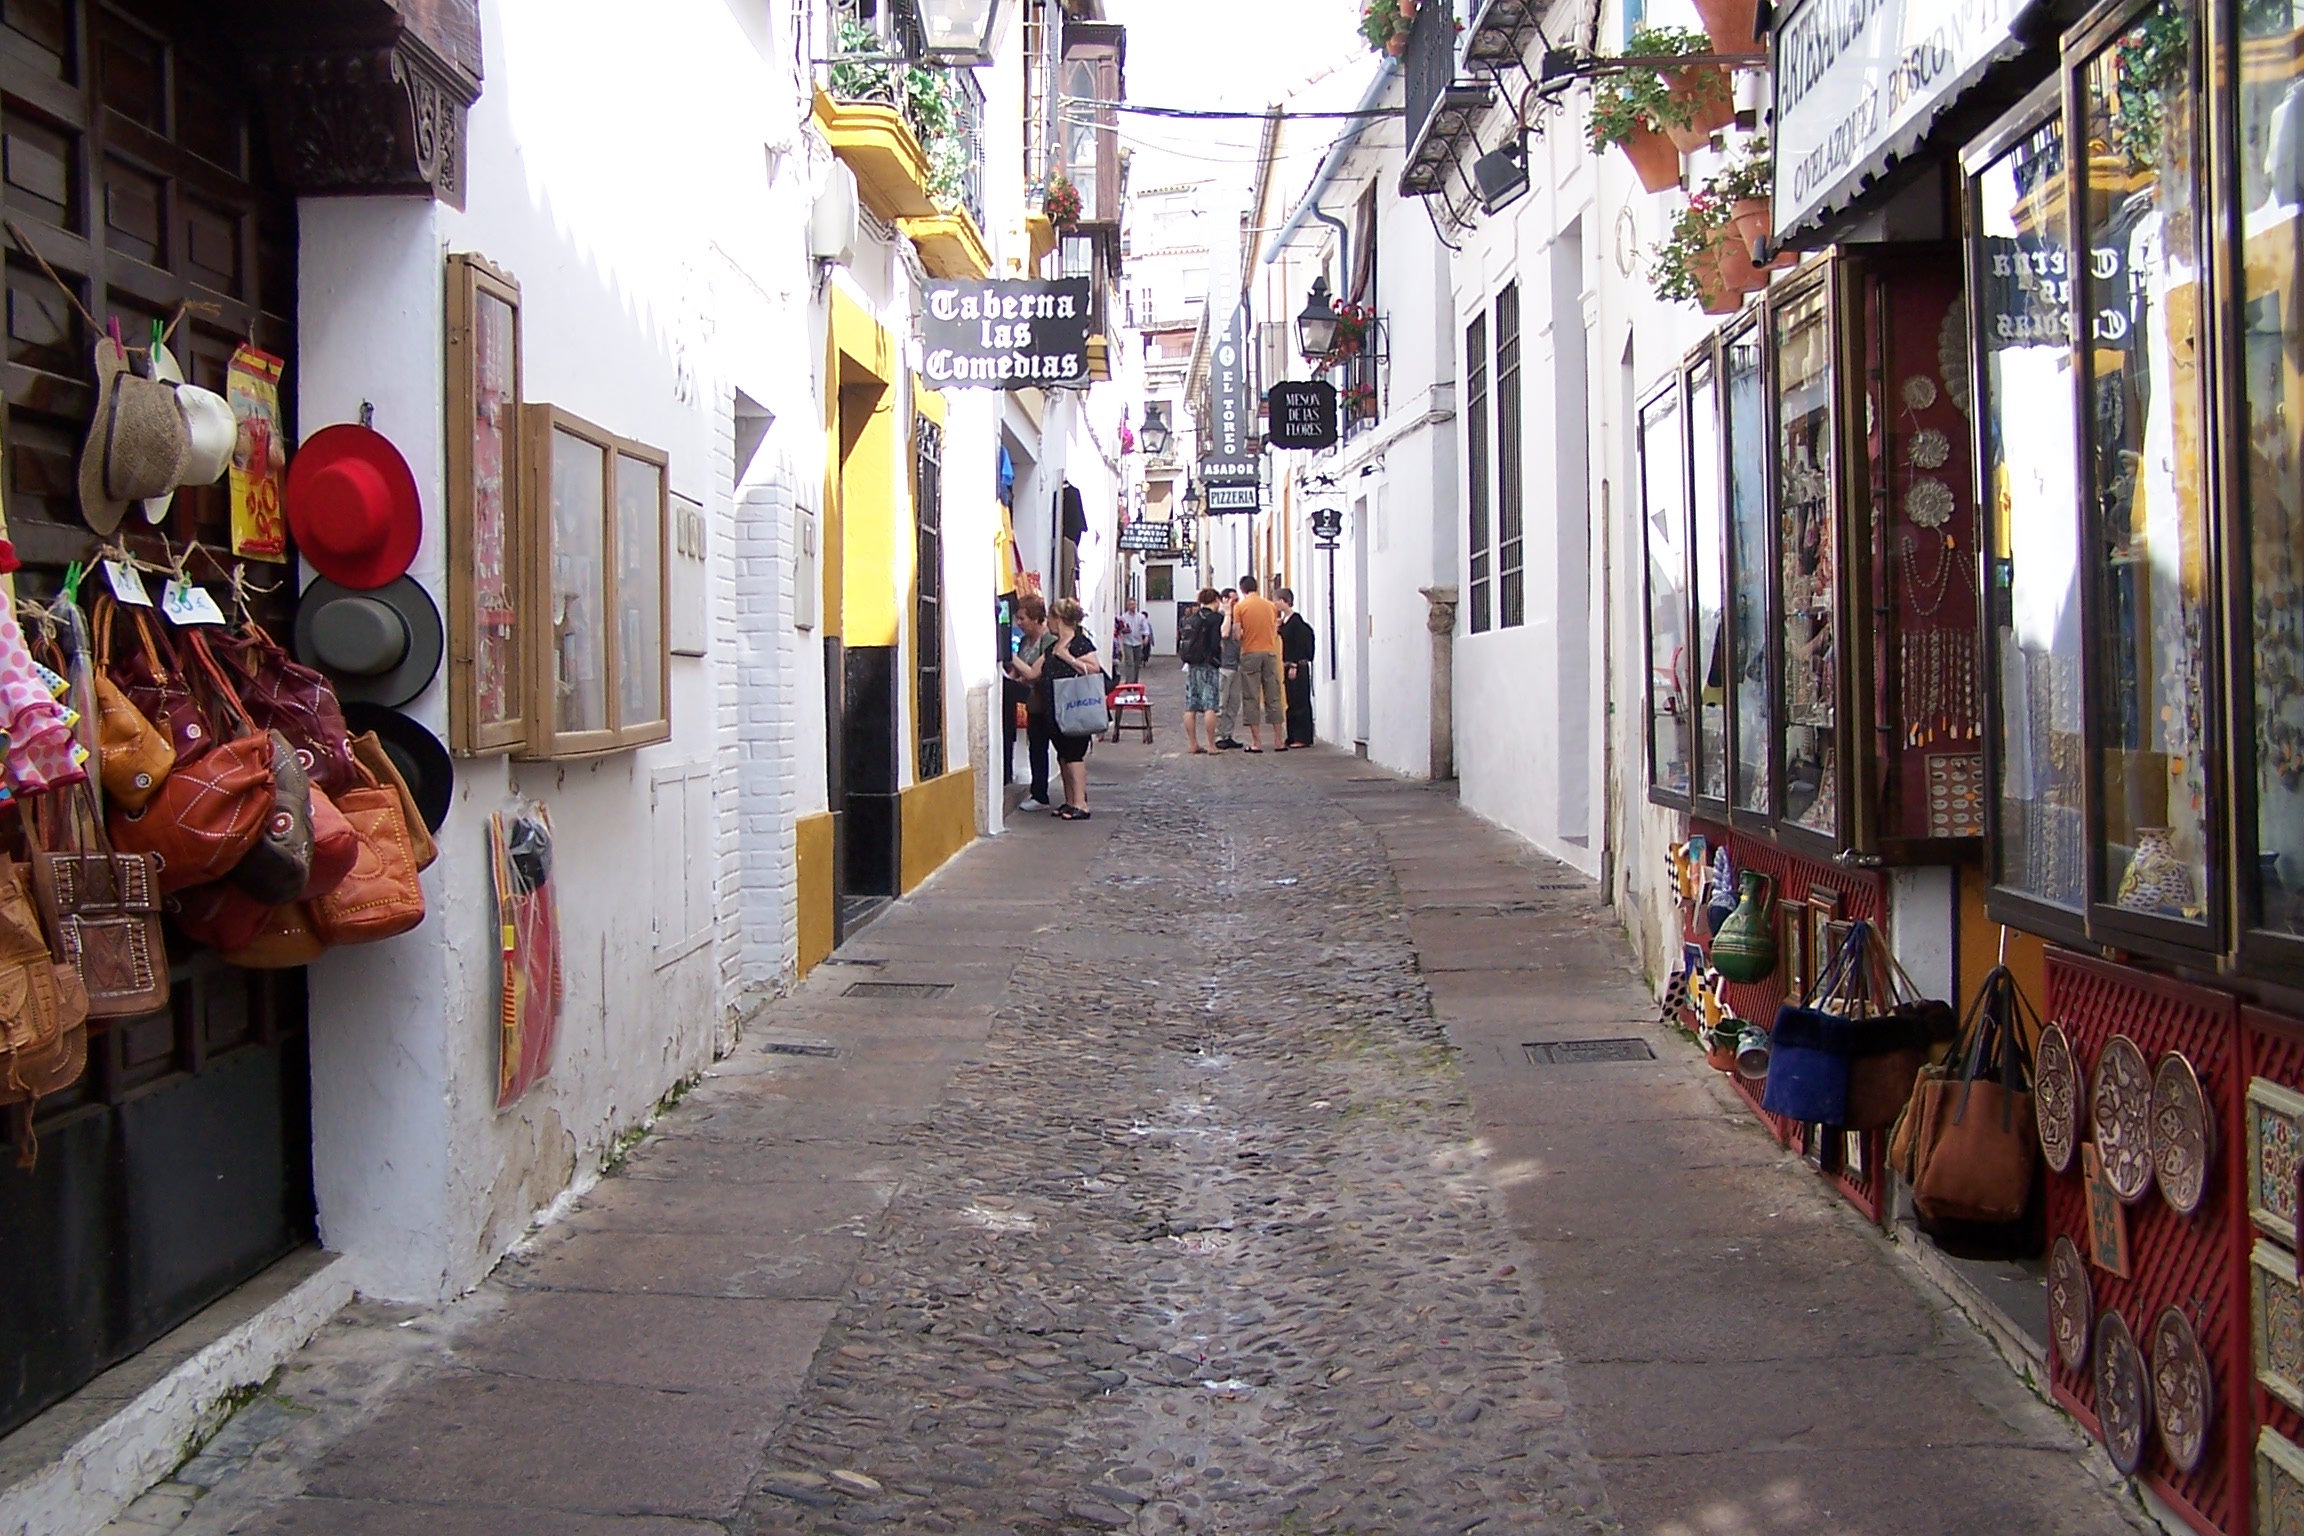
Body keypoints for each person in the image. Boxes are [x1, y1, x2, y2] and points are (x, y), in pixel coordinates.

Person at [1005, 596, 1103, 820]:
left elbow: (1094, 668)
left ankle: (1081, 804)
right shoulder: (1052, 646)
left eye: (1050, 617)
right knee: (1064, 757)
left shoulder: (1078, 643)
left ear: (1059, 619)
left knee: (1074, 756)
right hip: (1056, 711)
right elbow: (1032, 673)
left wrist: (1068, 658)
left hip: (1074, 708)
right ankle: (1070, 801)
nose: (1047, 621)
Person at [1002, 593, 1056, 808]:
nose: (1019, 623)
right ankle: (1039, 794)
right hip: (1033, 704)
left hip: (1049, 702)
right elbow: (1018, 674)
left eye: (1023, 618)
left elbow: (1034, 673)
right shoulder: (1025, 641)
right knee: (1037, 747)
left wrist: (1009, 654)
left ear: (1036, 618)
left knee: (1058, 749)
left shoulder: (1048, 641)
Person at [1230, 575, 1285, 754]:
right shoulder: (1270, 606)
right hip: (1269, 652)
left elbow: (1237, 635)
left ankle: (1257, 742)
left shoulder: (1240, 607)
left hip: (1250, 653)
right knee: (1274, 695)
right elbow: (1274, 628)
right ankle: (1278, 740)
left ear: (1242, 589)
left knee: (1251, 696)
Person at [1177, 587, 1225, 754]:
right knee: (1209, 705)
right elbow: (1214, 643)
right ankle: (1212, 745)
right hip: (1208, 664)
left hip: (1192, 665)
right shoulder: (1215, 618)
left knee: (1191, 706)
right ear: (1216, 600)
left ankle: (1192, 744)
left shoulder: (1192, 618)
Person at [1277, 587, 1316, 749]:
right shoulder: (1286, 622)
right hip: (1289, 666)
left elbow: (1298, 645)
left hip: (1297, 666)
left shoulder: (1297, 622)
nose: (1275, 604)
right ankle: (1293, 736)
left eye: (1277, 600)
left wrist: (1294, 665)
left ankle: (1302, 736)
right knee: (1292, 701)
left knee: (1300, 700)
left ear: (1285, 601)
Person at [1214, 588, 1244, 749]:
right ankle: (1219, 736)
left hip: (1237, 665)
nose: (1236, 603)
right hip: (1224, 666)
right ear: (1225, 600)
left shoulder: (1239, 618)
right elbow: (1224, 634)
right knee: (1221, 704)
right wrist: (1227, 613)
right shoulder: (1221, 618)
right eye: (1234, 600)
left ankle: (1228, 734)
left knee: (1234, 704)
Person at [1121, 598, 1154, 681]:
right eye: (1130, 605)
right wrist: (1123, 630)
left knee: (1136, 663)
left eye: (1133, 604)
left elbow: (1145, 628)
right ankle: (1129, 682)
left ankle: (1135, 682)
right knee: (1129, 662)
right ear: (1127, 606)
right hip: (1127, 641)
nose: (1132, 606)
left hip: (1137, 642)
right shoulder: (1123, 617)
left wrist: (1146, 636)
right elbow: (1120, 628)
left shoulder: (1141, 617)